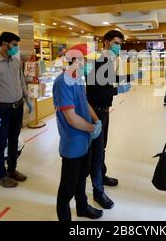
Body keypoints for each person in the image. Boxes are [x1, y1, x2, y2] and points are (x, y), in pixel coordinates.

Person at [85, 30, 141, 210]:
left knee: (102, 147)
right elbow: (96, 90)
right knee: (97, 152)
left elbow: (109, 79)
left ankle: (102, 174)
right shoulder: (99, 60)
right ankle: (98, 190)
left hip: (104, 111)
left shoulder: (107, 60)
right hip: (96, 112)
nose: (119, 46)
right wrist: (119, 90)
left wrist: (128, 77)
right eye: (116, 42)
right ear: (107, 42)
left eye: (120, 43)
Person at [53, 43, 103, 221]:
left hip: (85, 140)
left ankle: (82, 207)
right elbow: (72, 118)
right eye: (88, 60)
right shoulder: (62, 83)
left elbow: (85, 102)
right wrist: (91, 128)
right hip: (73, 144)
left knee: (82, 177)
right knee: (67, 187)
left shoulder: (78, 79)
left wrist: (97, 120)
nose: (90, 64)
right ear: (76, 59)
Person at [0, 32, 33, 188]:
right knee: (1, 142)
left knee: (14, 141)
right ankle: (0, 175)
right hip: (1, 109)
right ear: (4, 44)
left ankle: (12, 170)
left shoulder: (15, 62)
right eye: (14, 45)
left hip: (17, 107)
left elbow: (21, 81)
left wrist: (27, 99)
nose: (16, 48)